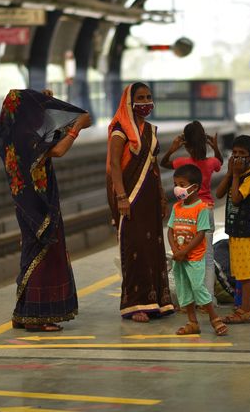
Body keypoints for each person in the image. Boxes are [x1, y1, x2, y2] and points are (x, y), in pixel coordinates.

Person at [0, 88, 92, 332]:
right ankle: (38, 316)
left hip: (26, 205)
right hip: (40, 205)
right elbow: (57, 150)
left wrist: (44, 102)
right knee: (46, 253)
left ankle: (23, 312)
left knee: (31, 253)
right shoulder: (28, 138)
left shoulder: (12, 135)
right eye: (36, 109)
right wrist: (76, 127)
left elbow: (48, 137)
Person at [106, 83, 174, 322]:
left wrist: (163, 196)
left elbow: (153, 165)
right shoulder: (120, 129)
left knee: (153, 247)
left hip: (150, 197)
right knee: (135, 248)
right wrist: (122, 197)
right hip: (130, 197)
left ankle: (156, 300)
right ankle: (135, 304)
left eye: (148, 97)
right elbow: (114, 165)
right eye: (140, 98)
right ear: (129, 102)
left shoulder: (150, 131)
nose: (146, 102)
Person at [160, 121, 223, 304]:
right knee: (207, 258)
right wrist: (216, 148)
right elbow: (220, 163)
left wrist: (172, 148)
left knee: (187, 255)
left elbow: (164, 163)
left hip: (186, 212)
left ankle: (188, 299)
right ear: (205, 142)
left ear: (185, 143)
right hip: (206, 209)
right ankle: (208, 299)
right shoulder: (211, 162)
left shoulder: (182, 163)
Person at [168, 164, 229, 336]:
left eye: (181, 184)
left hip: (194, 257)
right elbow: (170, 230)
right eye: (175, 184)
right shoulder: (177, 207)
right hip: (179, 258)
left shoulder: (201, 208)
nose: (177, 188)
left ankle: (214, 319)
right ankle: (192, 322)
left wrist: (184, 251)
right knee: (183, 288)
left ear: (194, 187)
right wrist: (175, 250)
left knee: (198, 287)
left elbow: (200, 234)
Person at [214, 135, 250, 323]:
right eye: (234, 153)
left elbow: (235, 199)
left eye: (242, 154)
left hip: (243, 232)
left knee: (245, 274)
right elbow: (218, 194)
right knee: (239, 272)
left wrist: (234, 175)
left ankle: (245, 311)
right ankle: (241, 305)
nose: (237, 157)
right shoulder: (236, 175)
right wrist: (228, 173)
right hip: (233, 231)